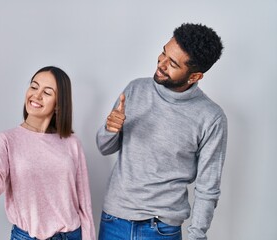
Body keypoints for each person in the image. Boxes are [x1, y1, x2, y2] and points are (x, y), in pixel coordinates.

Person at [96, 23, 228, 240]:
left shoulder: (211, 117)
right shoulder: (135, 89)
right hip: (114, 221)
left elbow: (208, 188)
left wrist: (197, 235)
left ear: (194, 76)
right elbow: (103, 147)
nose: (161, 64)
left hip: (160, 229)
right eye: (163, 53)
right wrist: (111, 129)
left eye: (173, 63)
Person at [0, 66, 96, 240]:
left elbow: (84, 203)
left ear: (59, 104)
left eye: (47, 92)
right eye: (33, 86)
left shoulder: (71, 142)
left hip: (72, 235)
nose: (36, 95)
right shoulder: (7, 140)